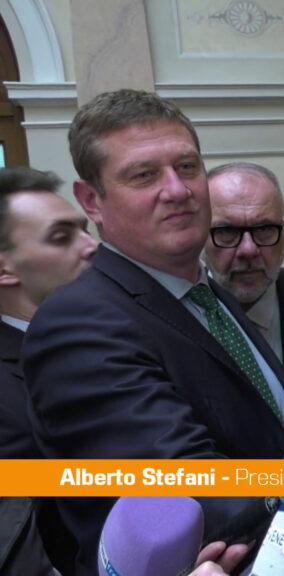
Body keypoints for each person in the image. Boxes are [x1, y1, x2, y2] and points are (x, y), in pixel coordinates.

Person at [21, 89, 284, 576]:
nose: (177, 190)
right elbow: (189, 491)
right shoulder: (78, 324)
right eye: (144, 175)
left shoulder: (209, 295)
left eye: (187, 167)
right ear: (91, 201)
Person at [0, 167, 97, 576]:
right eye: (61, 237)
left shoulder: (101, 342)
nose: (92, 246)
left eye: (84, 230)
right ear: (5, 269)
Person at [204, 162, 284, 385]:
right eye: (227, 231)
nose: (248, 250)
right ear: (199, 235)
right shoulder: (173, 312)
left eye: (264, 229)